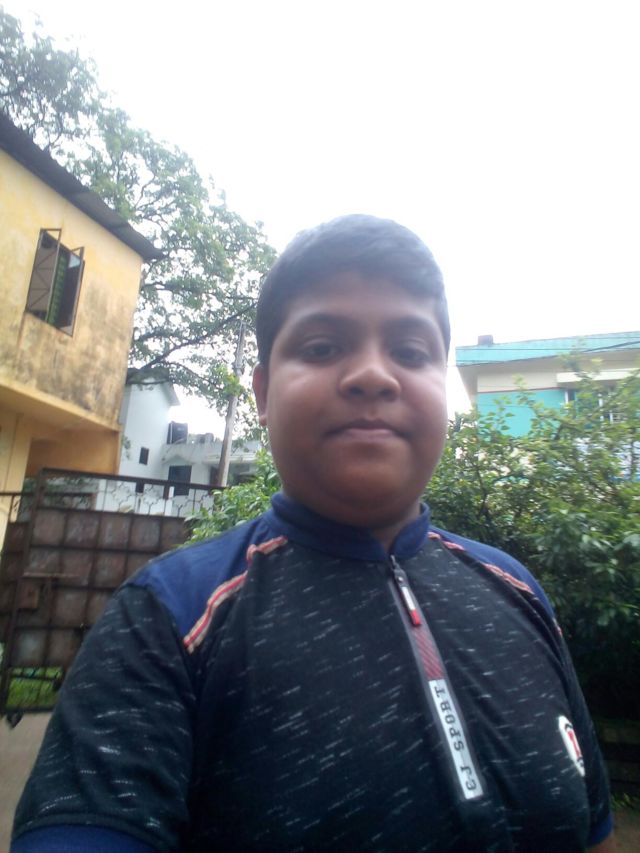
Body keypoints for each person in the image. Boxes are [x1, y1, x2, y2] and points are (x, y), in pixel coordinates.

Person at [12, 215, 614, 851]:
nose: (373, 375)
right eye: (323, 347)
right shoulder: (167, 619)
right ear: (264, 393)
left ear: (443, 385)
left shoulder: (515, 591)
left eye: (411, 352)